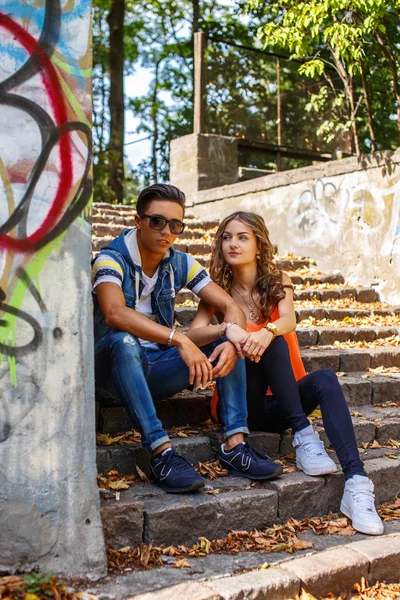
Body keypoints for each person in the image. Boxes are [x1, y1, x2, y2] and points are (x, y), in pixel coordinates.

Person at [191, 210, 383, 536]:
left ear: (259, 244)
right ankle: (303, 432)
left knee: (321, 376)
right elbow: (193, 334)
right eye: (226, 237)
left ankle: (356, 484)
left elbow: (289, 320)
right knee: (269, 340)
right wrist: (225, 329)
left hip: (282, 401)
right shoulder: (218, 292)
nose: (232, 244)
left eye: (242, 237)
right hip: (240, 405)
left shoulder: (278, 281)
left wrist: (267, 331)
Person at [92, 185, 283, 494]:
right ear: (137, 221)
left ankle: (234, 444)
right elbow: (114, 313)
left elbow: (229, 306)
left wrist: (231, 338)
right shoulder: (111, 259)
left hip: (157, 370)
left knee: (228, 339)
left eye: (175, 225)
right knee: (123, 341)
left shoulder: (180, 262)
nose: (167, 231)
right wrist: (178, 340)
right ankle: (161, 453)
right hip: (111, 375)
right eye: (157, 221)